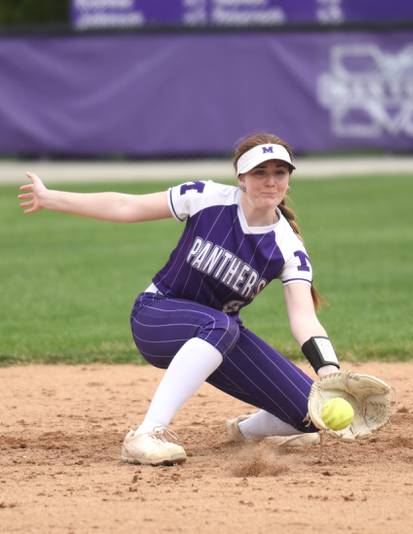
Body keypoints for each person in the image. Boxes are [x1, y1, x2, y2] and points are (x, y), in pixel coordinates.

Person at [18, 133, 352, 465]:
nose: (270, 181)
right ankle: (146, 433)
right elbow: (127, 206)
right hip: (156, 316)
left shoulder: (288, 246)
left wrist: (330, 373)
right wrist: (50, 198)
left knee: (310, 415)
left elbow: (304, 319)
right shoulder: (208, 198)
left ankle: (245, 430)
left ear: (289, 178)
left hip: (220, 337)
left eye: (279, 172)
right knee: (220, 325)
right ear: (241, 178)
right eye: (259, 173)